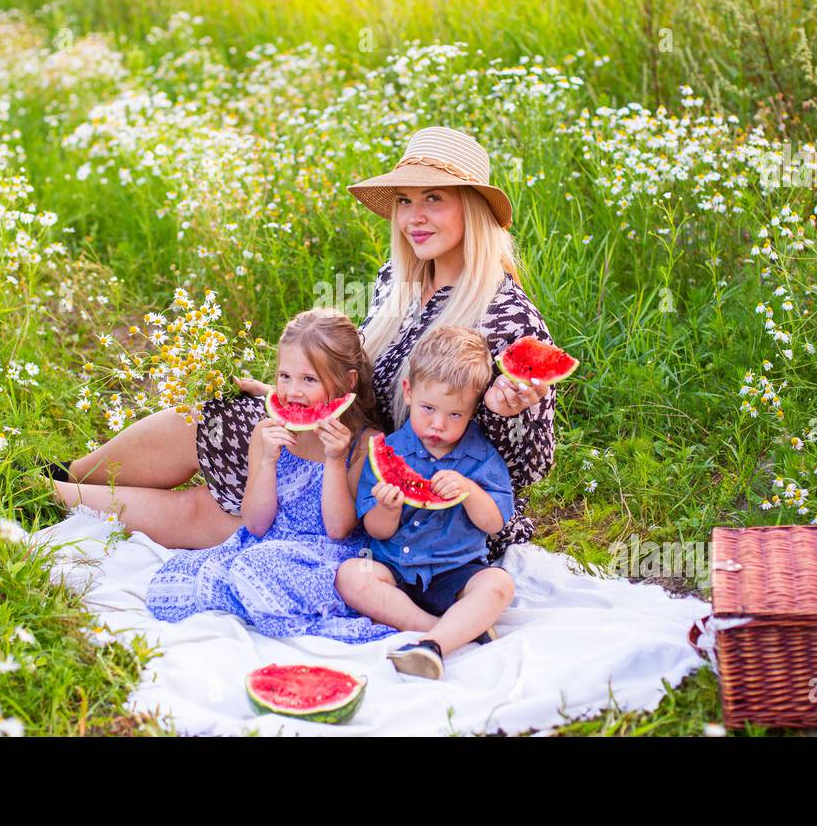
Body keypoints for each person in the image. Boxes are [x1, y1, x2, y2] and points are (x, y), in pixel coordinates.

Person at [46, 126, 557, 561]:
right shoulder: (396, 281)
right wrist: (298, 389)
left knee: (221, 507)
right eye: (405, 200)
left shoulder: (506, 316)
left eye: (433, 199)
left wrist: (503, 413)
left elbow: (531, 466)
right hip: (352, 441)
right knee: (214, 415)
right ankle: (59, 477)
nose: (414, 216)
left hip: (407, 497)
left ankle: (50, 497)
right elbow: (369, 384)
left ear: (472, 208)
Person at [143, 307, 398, 643]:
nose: (292, 392)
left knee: (259, 564)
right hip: (269, 541)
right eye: (284, 377)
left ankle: (269, 602)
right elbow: (256, 524)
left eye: (309, 380)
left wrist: (335, 460)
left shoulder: (363, 444)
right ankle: (259, 598)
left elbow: (338, 529)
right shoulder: (268, 431)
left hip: (326, 557)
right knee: (183, 580)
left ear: (347, 382)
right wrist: (267, 462)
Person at [336, 325, 516, 679]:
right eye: (428, 408)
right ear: (408, 391)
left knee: (499, 584)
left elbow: (495, 522)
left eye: (454, 415)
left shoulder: (481, 459)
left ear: (473, 411)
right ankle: (443, 630)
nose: (438, 424)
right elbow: (376, 530)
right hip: (395, 569)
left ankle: (432, 646)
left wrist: (471, 492)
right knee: (351, 576)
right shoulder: (388, 453)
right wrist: (387, 508)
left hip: (456, 571)